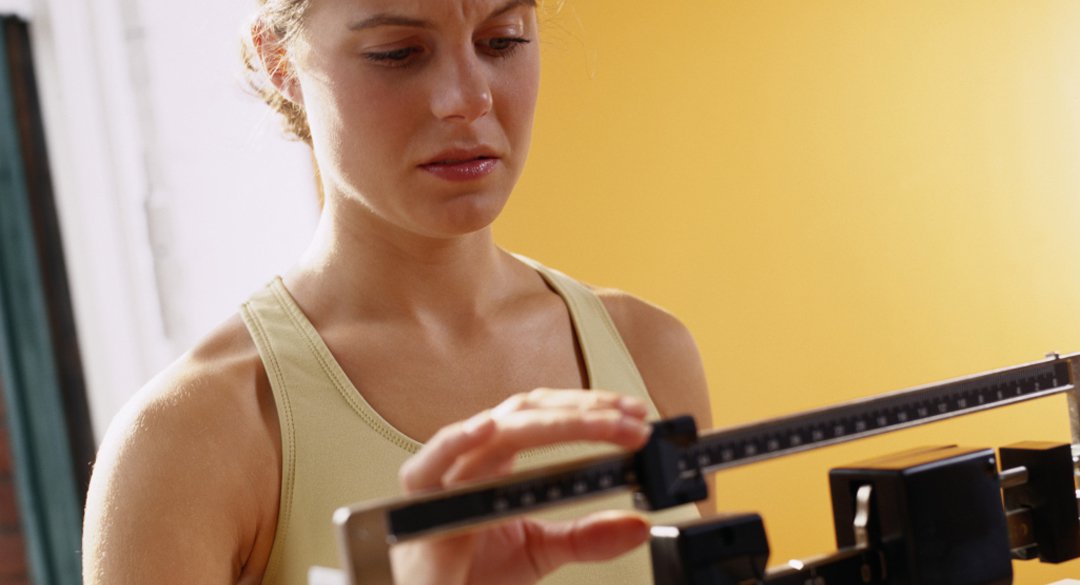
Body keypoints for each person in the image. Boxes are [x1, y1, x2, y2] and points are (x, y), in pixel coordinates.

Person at [82, 0, 713, 583]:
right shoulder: (185, 442)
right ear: (280, 59)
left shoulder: (650, 351)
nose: (469, 98)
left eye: (502, 40)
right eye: (397, 53)